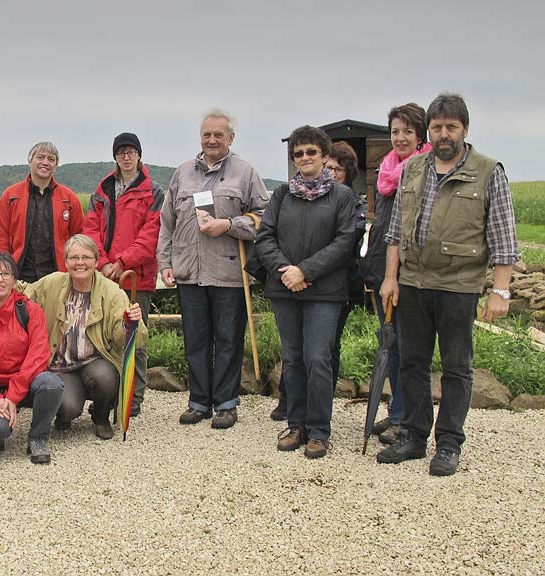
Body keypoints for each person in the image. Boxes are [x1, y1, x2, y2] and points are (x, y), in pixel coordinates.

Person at [377, 93, 518, 476]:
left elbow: (503, 235)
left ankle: (449, 443)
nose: (443, 134)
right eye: (437, 127)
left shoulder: (488, 171)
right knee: (413, 362)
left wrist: (500, 290)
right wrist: (391, 278)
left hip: (459, 285)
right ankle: (415, 436)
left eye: (451, 127)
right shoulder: (413, 168)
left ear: (464, 129)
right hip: (414, 283)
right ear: (430, 131)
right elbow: (395, 230)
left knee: (456, 367)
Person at [157, 110, 269, 430]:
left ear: (230, 138)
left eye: (219, 135)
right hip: (189, 271)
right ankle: (199, 402)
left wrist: (230, 225)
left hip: (229, 272)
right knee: (196, 340)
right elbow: (167, 222)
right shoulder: (182, 173)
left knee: (229, 340)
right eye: (207, 134)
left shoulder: (245, 172)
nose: (212, 140)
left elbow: (264, 217)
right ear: (200, 137)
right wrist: (165, 262)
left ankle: (226, 403)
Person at [254, 126, 355, 459]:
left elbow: (344, 242)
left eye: (311, 151)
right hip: (285, 288)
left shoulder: (342, 196)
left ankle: (319, 430)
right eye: (299, 153)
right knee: (293, 359)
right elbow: (265, 237)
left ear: (324, 156)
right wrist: (287, 271)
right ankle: (296, 424)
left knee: (317, 358)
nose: (305, 157)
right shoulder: (282, 195)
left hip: (325, 291)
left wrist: (306, 271)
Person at [24, 235, 145, 440]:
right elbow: (24, 293)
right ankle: (66, 412)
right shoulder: (51, 283)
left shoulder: (112, 292)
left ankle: (101, 416)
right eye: (74, 258)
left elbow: (127, 340)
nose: (80, 263)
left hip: (95, 361)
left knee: (105, 379)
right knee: (68, 408)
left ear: (96, 262)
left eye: (86, 257)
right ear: (66, 262)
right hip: (61, 364)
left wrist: (130, 323)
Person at [361, 103, 432, 444]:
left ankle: (407, 417)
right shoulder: (387, 171)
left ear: (420, 136)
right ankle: (397, 410)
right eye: (395, 131)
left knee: (408, 347)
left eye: (408, 131)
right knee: (389, 344)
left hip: (408, 273)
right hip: (381, 268)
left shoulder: (425, 171)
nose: (400, 137)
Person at [82, 132, 163, 417]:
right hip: (104, 276)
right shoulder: (103, 189)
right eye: (121, 152)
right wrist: (102, 262)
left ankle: (133, 398)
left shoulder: (153, 191)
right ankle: (106, 398)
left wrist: (122, 261)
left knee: (134, 337)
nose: (126, 156)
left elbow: (151, 234)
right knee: (102, 337)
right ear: (115, 156)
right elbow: (91, 228)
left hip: (136, 276)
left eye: (131, 151)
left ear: (139, 155)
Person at [0, 253, 64, 464]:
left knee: (51, 383)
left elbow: (38, 355)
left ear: (14, 280)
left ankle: (38, 438)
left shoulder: (30, 310)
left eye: (6, 274)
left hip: (22, 383)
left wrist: (13, 396)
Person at [0, 142, 85, 282]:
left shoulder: (69, 198)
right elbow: (0, 236)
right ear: (30, 161)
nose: (45, 162)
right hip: (19, 272)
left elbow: (78, 237)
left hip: (58, 275)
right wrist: (3, 267)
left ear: (56, 165)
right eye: (40, 157)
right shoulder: (11, 196)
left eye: (51, 159)